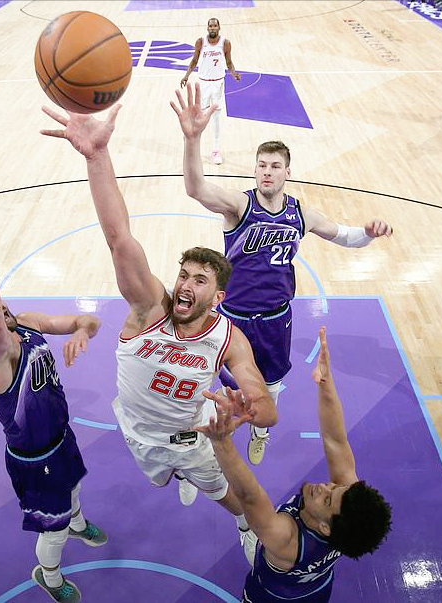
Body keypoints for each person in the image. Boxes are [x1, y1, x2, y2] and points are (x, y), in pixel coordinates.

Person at [40, 103, 278, 562]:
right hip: (138, 433)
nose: (185, 285)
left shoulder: (228, 339)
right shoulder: (151, 309)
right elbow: (119, 239)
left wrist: (250, 411)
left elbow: (265, 406)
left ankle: (246, 526)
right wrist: (96, 155)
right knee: (161, 479)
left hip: (192, 437)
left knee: (224, 493)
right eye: (183, 275)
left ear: (218, 297)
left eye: (200, 280)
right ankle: (180, 475)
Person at [171, 84, 393, 465]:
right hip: (233, 317)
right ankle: (208, 443)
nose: (267, 172)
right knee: (221, 384)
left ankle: (260, 431)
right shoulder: (239, 206)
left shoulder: (300, 214)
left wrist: (369, 233)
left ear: (287, 172)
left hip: (276, 319)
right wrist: (193, 139)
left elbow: (345, 236)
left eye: (275, 166)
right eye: (262, 165)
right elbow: (196, 188)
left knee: (270, 386)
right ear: (254, 170)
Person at [0, 197, 106, 603]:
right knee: (52, 530)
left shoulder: (28, 322)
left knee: (74, 489)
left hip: (62, 438)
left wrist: (82, 330)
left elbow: (89, 320)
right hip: (35, 459)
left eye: (0, 300)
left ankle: (77, 523)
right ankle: (49, 576)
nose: (0, 306)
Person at [196, 327, 392, 601]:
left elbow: (249, 496)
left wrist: (221, 442)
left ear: (325, 528)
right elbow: (336, 440)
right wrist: (326, 383)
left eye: (326, 499)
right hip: (317, 590)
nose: (325, 486)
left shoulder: (285, 540)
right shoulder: (347, 512)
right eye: (334, 487)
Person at [179, 17, 240, 165]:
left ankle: (216, 150)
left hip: (218, 83)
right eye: (210, 26)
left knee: (216, 117)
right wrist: (186, 75)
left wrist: (233, 73)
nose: (212, 28)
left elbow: (229, 62)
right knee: (198, 116)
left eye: (215, 26)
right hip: (204, 83)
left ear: (219, 27)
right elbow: (194, 60)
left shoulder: (225, 43)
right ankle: (191, 144)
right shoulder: (201, 42)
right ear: (207, 28)